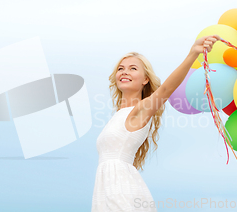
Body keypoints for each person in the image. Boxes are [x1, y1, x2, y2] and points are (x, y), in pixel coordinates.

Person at [91, 35, 220, 211]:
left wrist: (192, 54)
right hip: (108, 192)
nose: (125, 72)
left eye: (133, 68)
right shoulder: (118, 116)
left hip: (121, 193)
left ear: (145, 79)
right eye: (121, 68)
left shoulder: (140, 109)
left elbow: (166, 89)